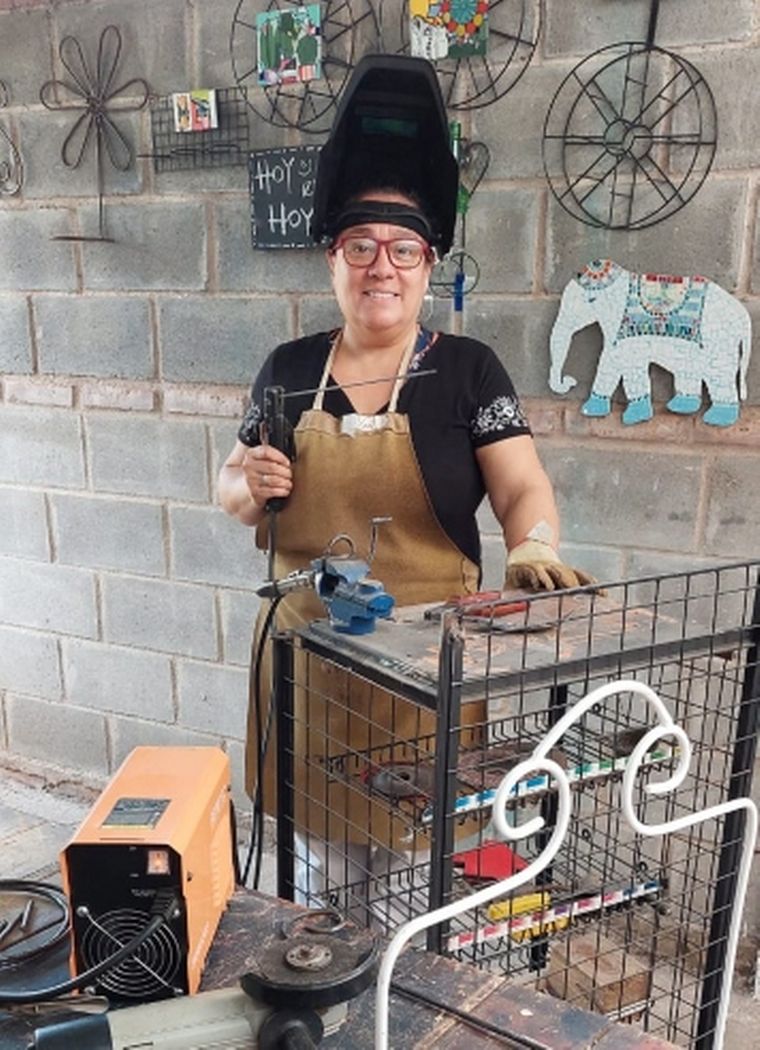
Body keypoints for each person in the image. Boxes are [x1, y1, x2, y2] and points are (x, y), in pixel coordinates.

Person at [218, 183, 594, 918]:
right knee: (318, 885)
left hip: (426, 679)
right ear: (333, 262)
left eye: (403, 250)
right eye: (360, 247)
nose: (380, 267)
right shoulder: (288, 371)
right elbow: (230, 490)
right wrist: (249, 482)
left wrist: (534, 544)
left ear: (428, 267)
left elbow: (520, 485)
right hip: (309, 673)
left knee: (409, 893)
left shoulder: (467, 371)